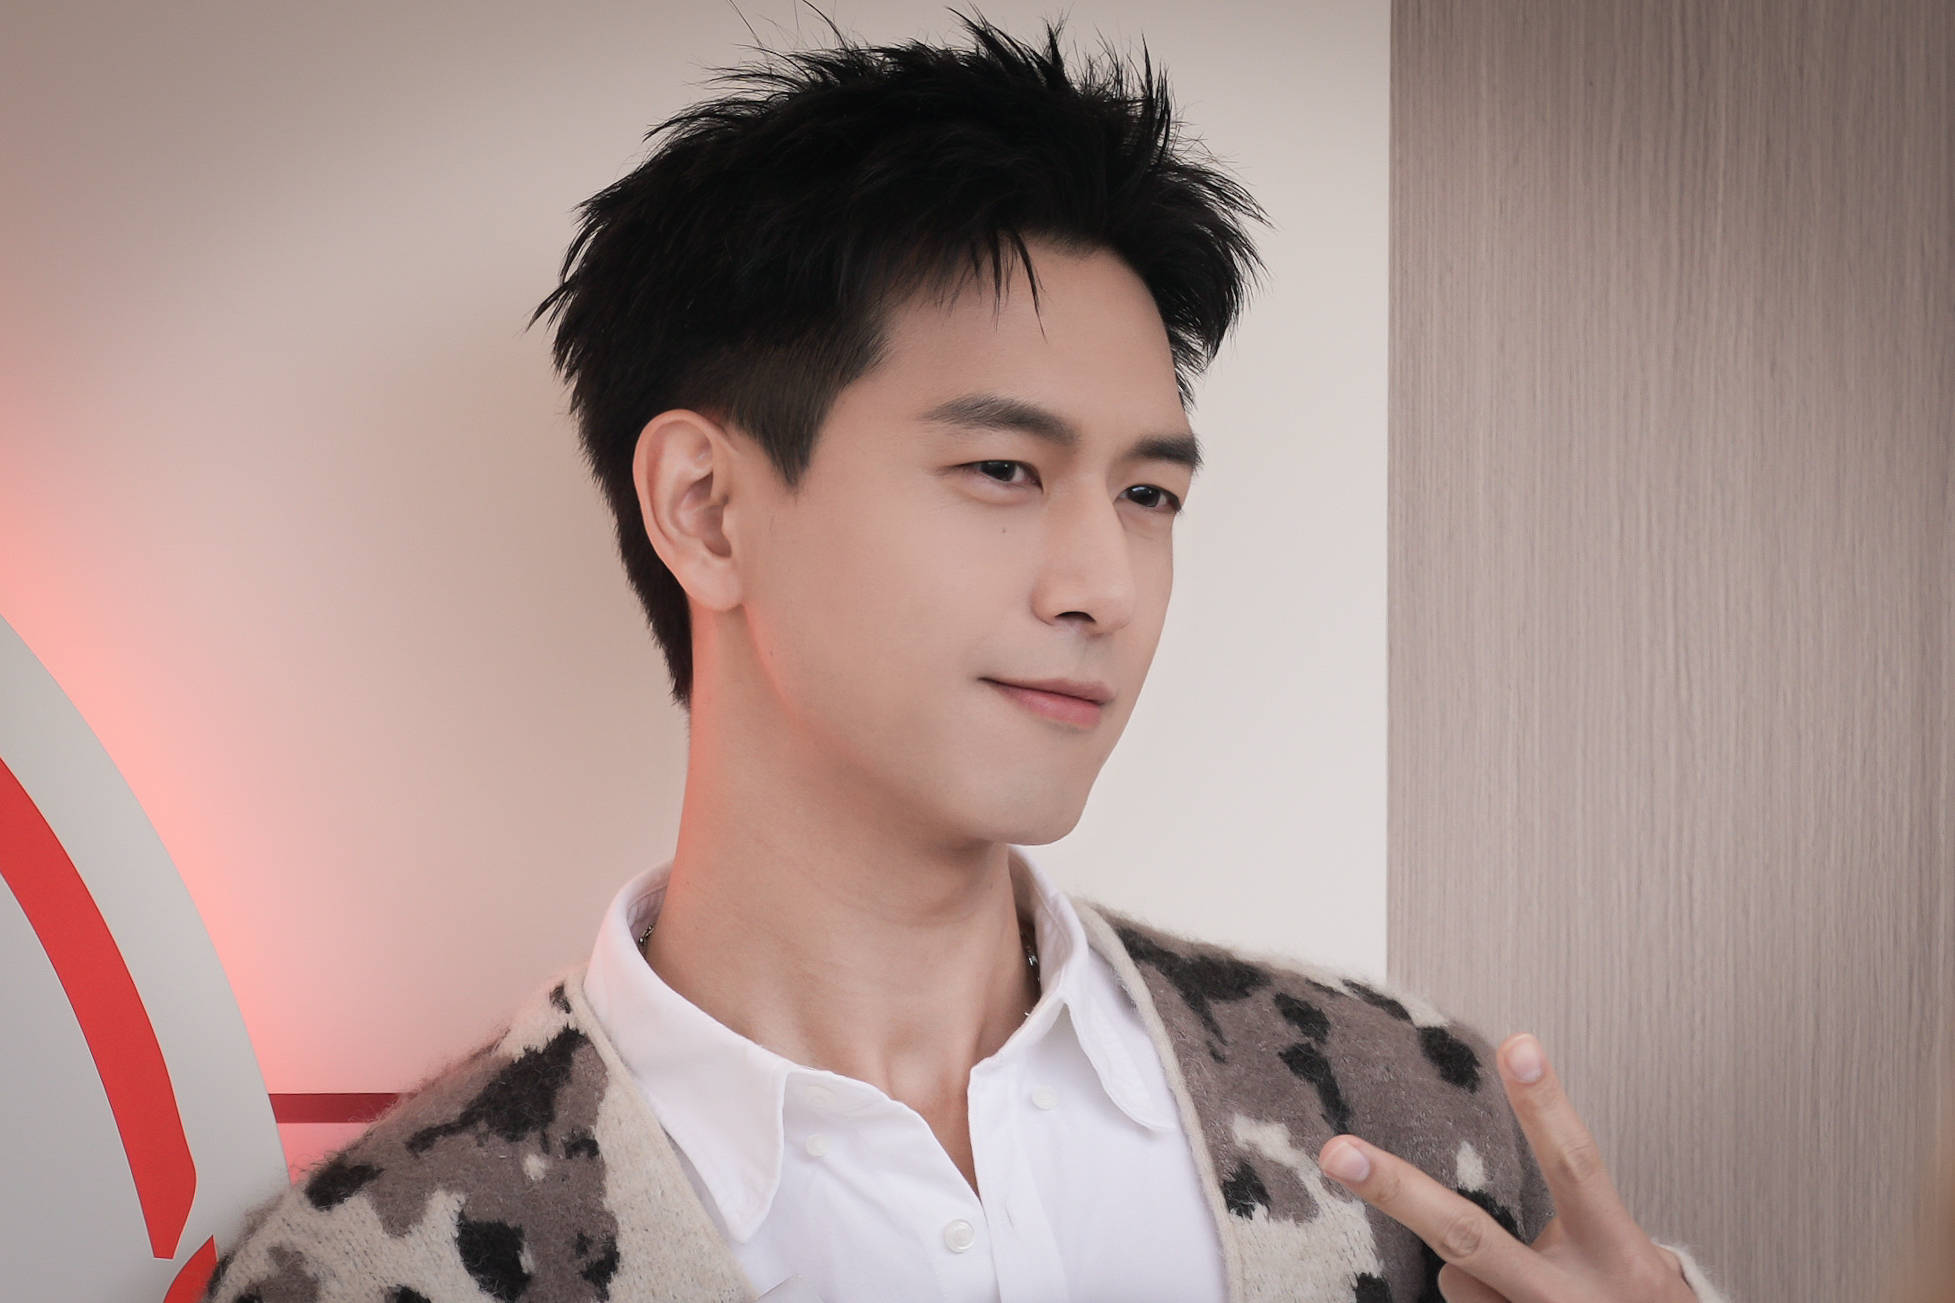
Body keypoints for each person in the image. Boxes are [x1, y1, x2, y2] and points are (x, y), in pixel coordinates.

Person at [203, 13, 1731, 1302]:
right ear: (708, 509)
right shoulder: (376, 1265)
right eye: (1003, 470)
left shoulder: (1419, 1123)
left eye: (1149, 496)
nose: (1104, 585)